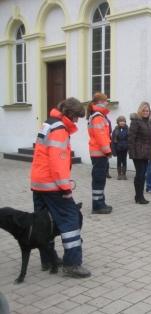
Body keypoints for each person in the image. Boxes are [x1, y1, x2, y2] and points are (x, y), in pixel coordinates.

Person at [31, 97, 91, 278]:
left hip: (38, 182)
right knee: (71, 220)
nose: (76, 122)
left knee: (44, 223)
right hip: (53, 185)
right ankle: (72, 264)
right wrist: (65, 187)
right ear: (70, 114)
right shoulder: (59, 130)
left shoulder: (48, 124)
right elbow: (58, 161)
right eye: (76, 118)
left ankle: (48, 259)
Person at [87, 92, 113, 214]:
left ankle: (100, 202)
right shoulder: (98, 117)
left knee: (100, 178)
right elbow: (101, 136)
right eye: (106, 100)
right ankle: (97, 206)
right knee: (99, 179)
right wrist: (107, 151)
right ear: (100, 102)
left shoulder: (97, 115)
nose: (107, 102)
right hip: (99, 153)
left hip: (98, 152)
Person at [128, 102, 151, 204]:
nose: (146, 112)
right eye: (144, 110)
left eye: (147, 111)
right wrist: (132, 153)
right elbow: (131, 138)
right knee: (140, 174)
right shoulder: (136, 121)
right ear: (140, 111)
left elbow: (150, 139)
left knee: (142, 174)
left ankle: (139, 196)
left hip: (146, 153)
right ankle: (139, 196)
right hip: (138, 152)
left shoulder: (148, 122)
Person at [111, 116, 129, 180]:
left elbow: (129, 140)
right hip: (118, 149)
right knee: (119, 161)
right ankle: (119, 174)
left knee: (124, 161)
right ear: (118, 122)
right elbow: (113, 141)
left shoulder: (127, 129)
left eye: (123, 121)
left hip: (125, 148)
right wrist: (113, 151)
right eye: (121, 121)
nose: (122, 122)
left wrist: (129, 148)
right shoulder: (115, 130)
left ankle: (124, 174)